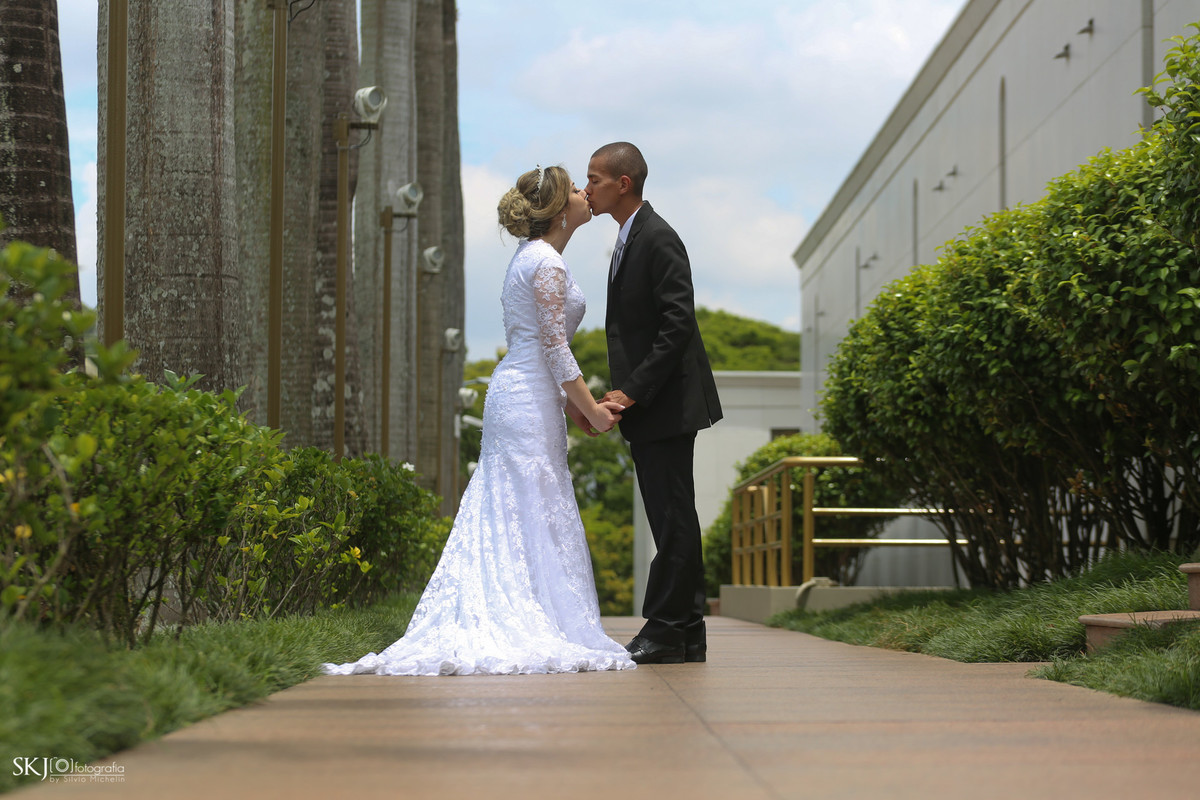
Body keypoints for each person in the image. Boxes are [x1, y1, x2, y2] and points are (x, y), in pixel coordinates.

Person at [324, 165, 635, 676]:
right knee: (530, 499)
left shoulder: (529, 257)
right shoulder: (547, 263)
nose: (586, 192)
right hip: (526, 397)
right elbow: (554, 348)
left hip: (525, 393)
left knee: (522, 502)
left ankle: (526, 610)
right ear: (561, 210)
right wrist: (594, 410)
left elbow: (542, 348)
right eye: (576, 188)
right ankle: (529, 619)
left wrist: (572, 407)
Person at [585, 142, 724, 665]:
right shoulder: (628, 237)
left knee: (673, 519)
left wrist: (632, 390)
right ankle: (686, 631)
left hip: (666, 403)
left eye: (595, 179)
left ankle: (666, 628)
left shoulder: (658, 236)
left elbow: (677, 323)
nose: (587, 189)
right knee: (671, 519)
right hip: (653, 405)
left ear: (623, 184)